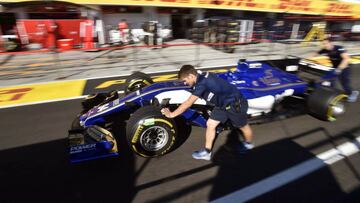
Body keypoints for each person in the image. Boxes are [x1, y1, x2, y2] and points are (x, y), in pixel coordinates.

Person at [161, 65, 254, 161]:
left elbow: (188, 103)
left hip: (235, 104)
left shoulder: (202, 83)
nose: (185, 83)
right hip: (222, 104)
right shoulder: (200, 75)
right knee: (211, 124)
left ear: (191, 76)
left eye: (185, 80)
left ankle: (248, 144)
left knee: (242, 126)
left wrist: (172, 114)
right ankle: (207, 152)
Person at [311, 38, 358, 102]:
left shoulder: (339, 48)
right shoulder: (325, 49)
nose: (324, 45)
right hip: (334, 68)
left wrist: (339, 69)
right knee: (330, 81)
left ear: (330, 43)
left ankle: (353, 93)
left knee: (344, 84)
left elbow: (346, 59)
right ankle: (331, 94)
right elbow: (316, 53)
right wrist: (308, 59)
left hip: (344, 67)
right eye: (323, 44)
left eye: (326, 43)